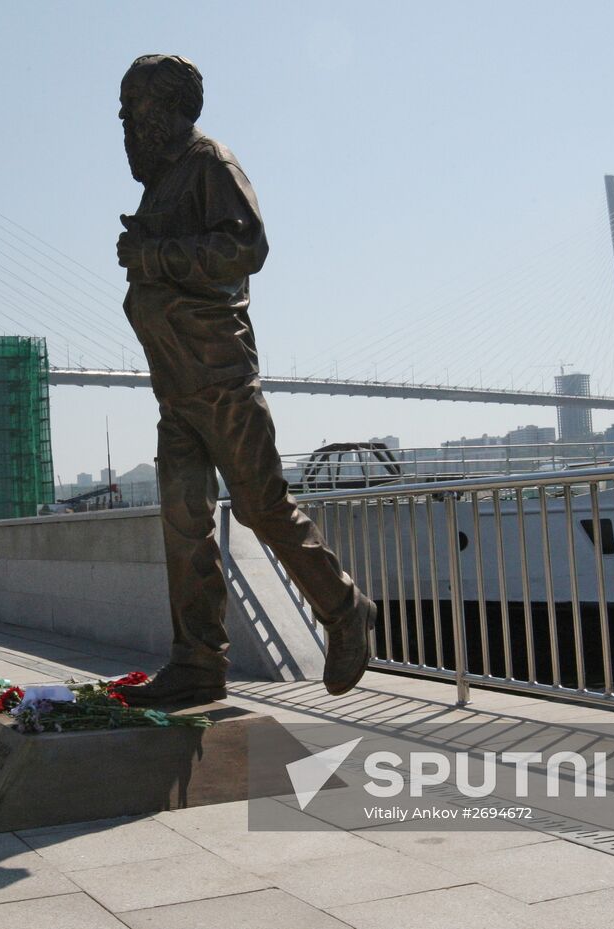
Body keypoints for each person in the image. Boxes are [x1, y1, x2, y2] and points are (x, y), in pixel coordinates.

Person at [110, 55, 376, 707]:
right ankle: (198, 661)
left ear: (163, 109)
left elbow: (245, 248)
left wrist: (151, 255)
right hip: (175, 389)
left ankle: (344, 608)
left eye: (131, 108)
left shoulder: (209, 165)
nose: (122, 121)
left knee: (260, 505)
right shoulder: (160, 183)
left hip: (220, 379)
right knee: (183, 520)